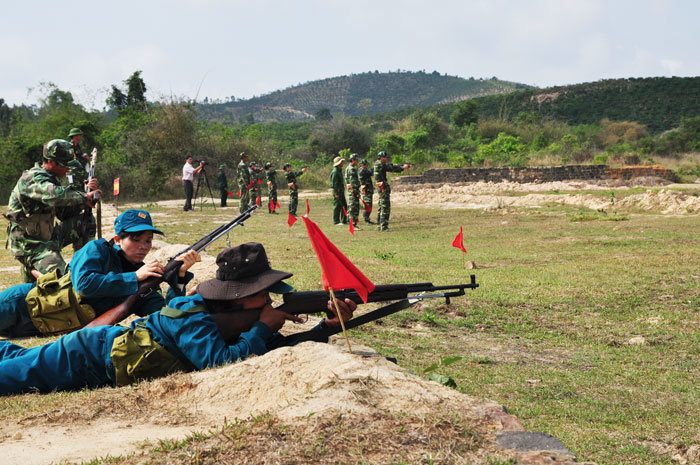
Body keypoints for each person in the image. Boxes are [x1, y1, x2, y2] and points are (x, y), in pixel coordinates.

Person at [0, 242, 357, 395]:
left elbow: (270, 348)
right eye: (264, 292)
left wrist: (323, 328)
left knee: (16, 358)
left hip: (97, 358)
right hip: (87, 358)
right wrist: (265, 324)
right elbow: (219, 363)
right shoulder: (193, 314)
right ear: (240, 295)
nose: (269, 298)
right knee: (16, 376)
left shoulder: (232, 315)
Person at [0, 209, 199, 338]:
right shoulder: (97, 249)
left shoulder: (144, 278)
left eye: (147, 241)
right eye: (136, 239)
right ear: (118, 240)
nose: (143, 247)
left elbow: (164, 315)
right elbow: (85, 286)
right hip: (21, 305)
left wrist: (178, 278)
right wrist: (135, 277)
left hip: (39, 329)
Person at [4, 139, 101, 283]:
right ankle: (31, 268)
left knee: (84, 223)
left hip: (48, 237)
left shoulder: (52, 179)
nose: (67, 169)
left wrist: (86, 196)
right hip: (29, 244)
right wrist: (82, 197)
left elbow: (64, 214)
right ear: (50, 162)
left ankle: (82, 266)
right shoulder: (32, 178)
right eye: (64, 165)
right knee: (62, 280)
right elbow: (53, 195)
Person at [66, 127, 98, 249]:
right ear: (74, 136)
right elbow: (71, 160)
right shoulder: (70, 146)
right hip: (72, 174)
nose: (80, 137)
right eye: (79, 135)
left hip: (79, 174)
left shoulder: (77, 146)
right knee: (75, 192)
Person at [373, 151, 411, 231]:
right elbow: (391, 168)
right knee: (385, 207)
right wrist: (402, 167)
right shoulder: (380, 164)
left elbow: (390, 166)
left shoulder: (377, 163)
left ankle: (379, 225)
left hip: (380, 187)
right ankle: (384, 226)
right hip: (383, 187)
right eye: (385, 157)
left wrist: (401, 166)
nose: (386, 159)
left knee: (381, 206)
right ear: (382, 158)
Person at [345, 154, 361, 229]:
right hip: (353, 192)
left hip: (349, 192)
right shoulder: (352, 169)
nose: (357, 162)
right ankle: (353, 224)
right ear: (353, 160)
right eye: (356, 160)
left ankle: (350, 223)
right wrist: (356, 193)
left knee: (350, 208)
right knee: (354, 209)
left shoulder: (347, 168)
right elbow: (353, 182)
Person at [330, 156, 348, 225]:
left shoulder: (339, 171)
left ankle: (344, 220)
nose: (343, 163)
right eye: (342, 162)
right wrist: (336, 193)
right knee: (337, 206)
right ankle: (336, 221)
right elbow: (333, 184)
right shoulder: (335, 172)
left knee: (344, 206)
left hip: (341, 191)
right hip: (337, 192)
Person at [359, 159, 375, 225]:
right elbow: (370, 172)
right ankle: (366, 219)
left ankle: (367, 219)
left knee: (369, 205)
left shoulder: (364, 170)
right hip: (366, 191)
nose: (367, 166)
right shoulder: (362, 171)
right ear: (363, 165)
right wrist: (376, 167)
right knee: (367, 205)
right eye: (366, 165)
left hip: (368, 190)